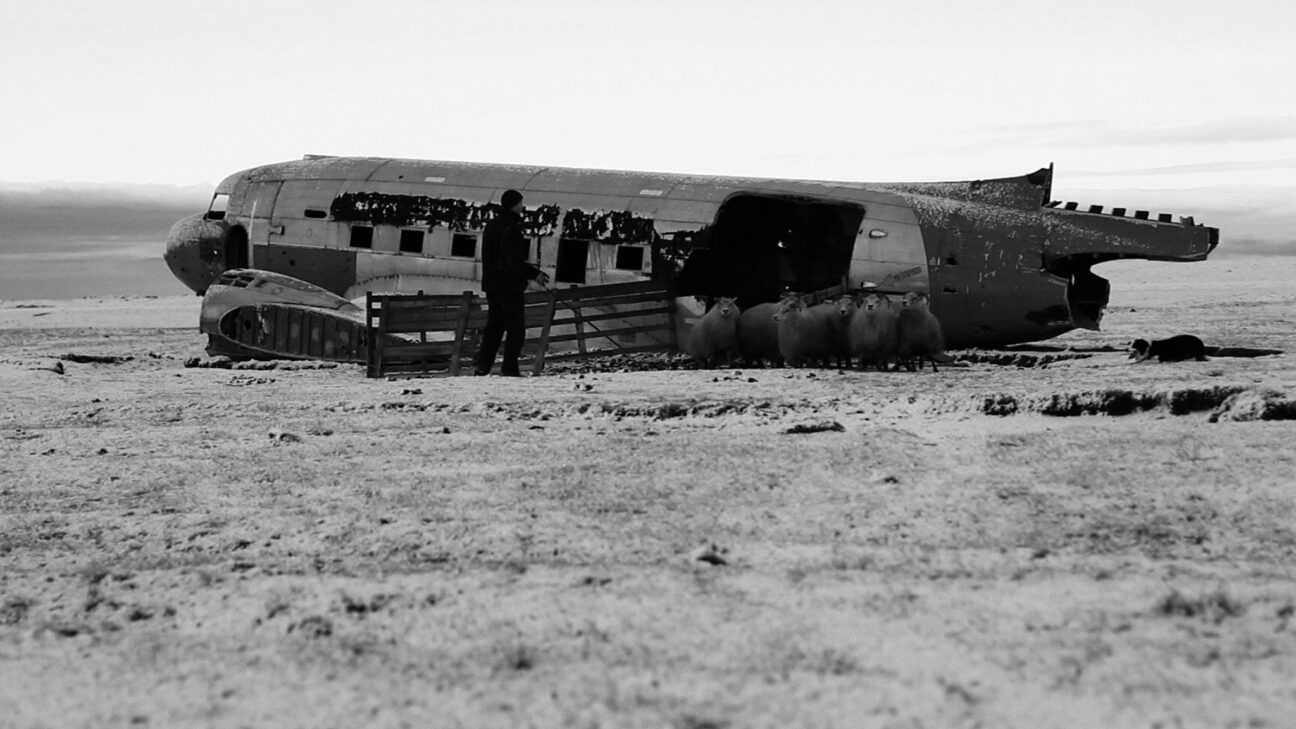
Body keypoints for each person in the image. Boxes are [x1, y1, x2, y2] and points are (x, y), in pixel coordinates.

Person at [474, 189, 549, 376]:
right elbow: (513, 260)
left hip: (492, 284)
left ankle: (483, 366)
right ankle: (509, 368)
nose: (522, 207)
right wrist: (535, 274)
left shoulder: (491, 225)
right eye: (521, 203)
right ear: (515, 205)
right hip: (509, 286)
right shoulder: (511, 228)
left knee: (494, 326)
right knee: (516, 329)